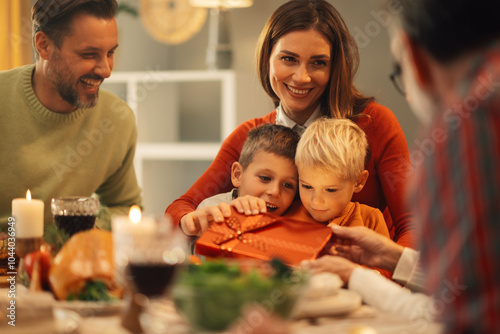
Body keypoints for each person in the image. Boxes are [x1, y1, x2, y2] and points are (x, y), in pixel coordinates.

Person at [307, 0, 500, 332]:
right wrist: (395, 259)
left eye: (399, 71)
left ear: (414, 57)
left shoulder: (469, 121)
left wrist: (356, 277)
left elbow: (463, 319)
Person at [166, 0, 415, 249]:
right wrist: (192, 222)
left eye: (318, 62)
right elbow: (178, 210)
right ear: (268, 58)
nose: (301, 77)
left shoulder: (374, 123)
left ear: (334, 67)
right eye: (288, 59)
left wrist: (384, 280)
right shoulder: (251, 136)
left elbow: (413, 225)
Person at [0, 0, 142, 229]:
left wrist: (77, 232)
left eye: (110, 53)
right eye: (89, 54)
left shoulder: (116, 120)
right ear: (44, 45)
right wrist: (12, 248)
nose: (106, 69)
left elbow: (125, 207)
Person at [180, 124, 300, 236]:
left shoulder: (291, 223)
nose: (275, 191)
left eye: (287, 185)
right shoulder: (213, 210)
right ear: (237, 175)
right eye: (265, 178)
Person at [291, 118, 389, 238]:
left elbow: (383, 256)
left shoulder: (370, 220)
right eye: (307, 186)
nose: (316, 201)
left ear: (358, 181)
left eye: (331, 190)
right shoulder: (289, 211)